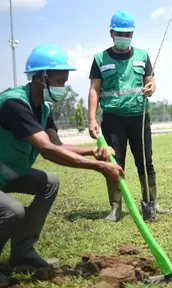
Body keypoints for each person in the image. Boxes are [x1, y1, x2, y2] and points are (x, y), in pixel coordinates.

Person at [0, 44, 124, 287]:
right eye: (58, 81)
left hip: (6, 172)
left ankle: (22, 251)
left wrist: (94, 151)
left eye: (64, 82)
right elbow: (47, 151)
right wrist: (100, 168)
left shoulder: (44, 109)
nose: (62, 87)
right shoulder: (14, 104)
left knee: (49, 183)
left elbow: (56, 144)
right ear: (39, 77)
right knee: (12, 211)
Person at [87, 10, 169, 222]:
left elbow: (150, 82)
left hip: (139, 117)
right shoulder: (100, 59)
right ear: (111, 33)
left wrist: (151, 88)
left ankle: (151, 202)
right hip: (113, 120)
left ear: (132, 34)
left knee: (145, 161)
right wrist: (92, 118)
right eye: (120, 33)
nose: (124, 37)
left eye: (128, 33)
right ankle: (115, 208)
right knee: (115, 162)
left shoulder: (143, 55)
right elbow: (94, 89)